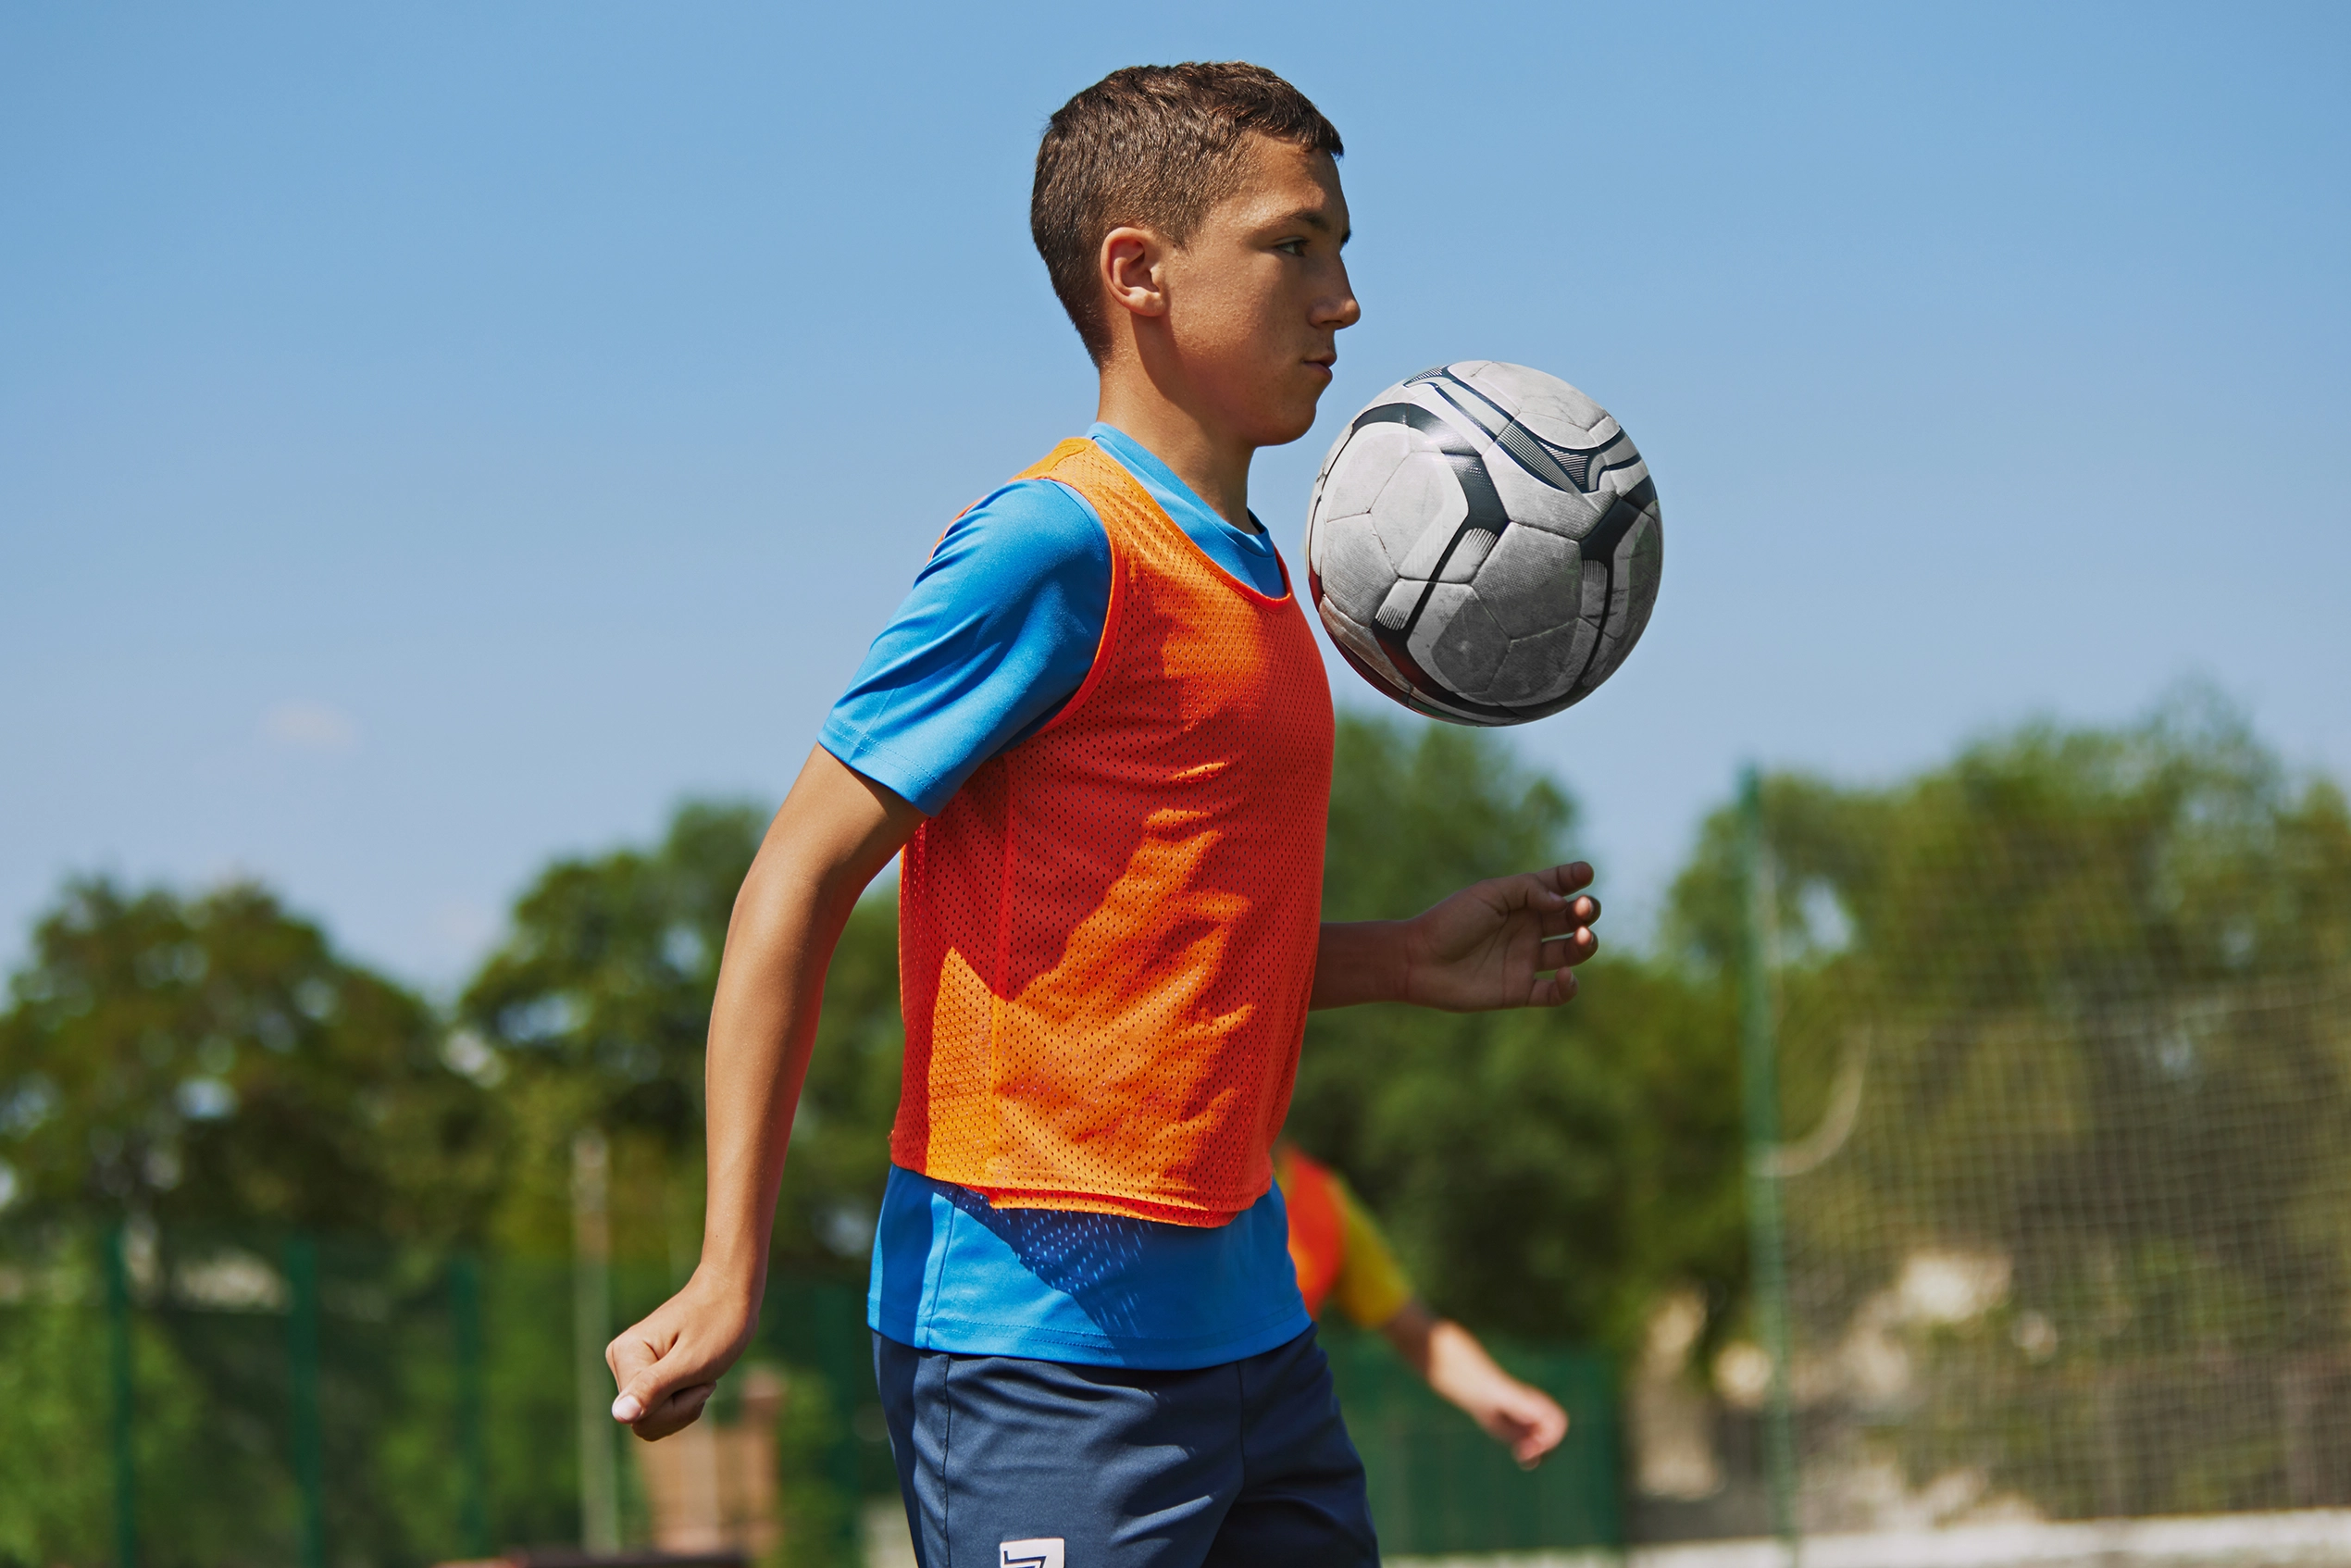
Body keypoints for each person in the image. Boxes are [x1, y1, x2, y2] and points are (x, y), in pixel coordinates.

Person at [601, 61, 1603, 1568]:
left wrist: (1396, 956)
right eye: (1296, 244)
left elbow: (1159, 938)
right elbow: (796, 877)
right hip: (1036, 1348)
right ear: (1137, 270)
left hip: (1257, 1332)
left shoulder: (1268, 578)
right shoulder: (1053, 543)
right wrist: (731, 1259)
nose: (1343, 301)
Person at [1276, 1141, 1570, 1469]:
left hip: (1277, 1452)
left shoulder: (1321, 1199)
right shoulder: (1207, 1181)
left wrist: (1497, 1391)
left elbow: (1417, 1332)